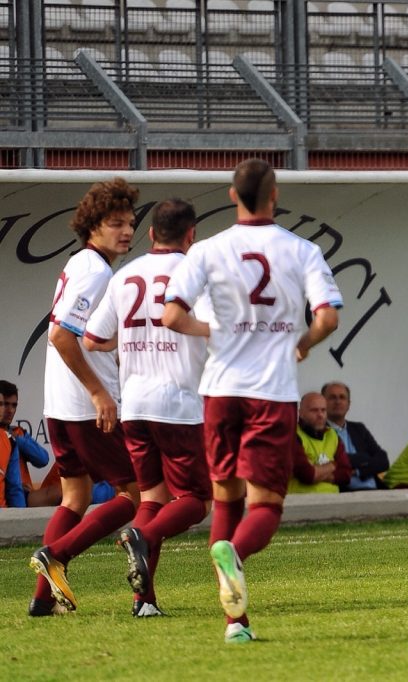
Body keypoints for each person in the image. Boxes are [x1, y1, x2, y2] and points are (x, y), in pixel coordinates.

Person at [163, 159, 341, 643]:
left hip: (220, 390)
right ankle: (235, 554)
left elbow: (171, 315)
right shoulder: (301, 249)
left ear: (231, 195)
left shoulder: (207, 249)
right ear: (274, 195)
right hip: (270, 392)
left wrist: (213, 331)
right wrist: (303, 342)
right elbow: (328, 318)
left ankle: (235, 624)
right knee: (266, 506)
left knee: (226, 497)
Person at [82, 198, 213, 617]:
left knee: (153, 498)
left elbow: (92, 339)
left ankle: (144, 601)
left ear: (152, 233)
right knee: (197, 499)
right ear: (191, 235)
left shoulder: (125, 275)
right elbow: (214, 328)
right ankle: (142, 537)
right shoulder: (194, 272)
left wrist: (130, 339)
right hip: (178, 402)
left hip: (135, 403)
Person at [28, 178, 141, 617]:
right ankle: (57, 556)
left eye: (130, 223)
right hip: (84, 406)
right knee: (136, 494)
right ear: (93, 226)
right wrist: (98, 392)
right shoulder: (96, 272)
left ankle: (42, 599)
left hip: (60, 403)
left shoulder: (82, 263)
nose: (127, 231)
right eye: (116, 223)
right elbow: (60, 335)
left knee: (74, 497)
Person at [320, 381, 389, 491]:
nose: (338, 401)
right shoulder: (319, 431)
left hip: (375, 490)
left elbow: (383, 460)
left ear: (348, 404)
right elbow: (328, 461)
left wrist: (357, 471)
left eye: (342, 397)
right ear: (322, 403)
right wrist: (364, 457)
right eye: (332, 397)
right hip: (344, 493)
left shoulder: (359, 428)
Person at [289, 392, 352, 493]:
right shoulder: (292, 435)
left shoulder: (332, 435)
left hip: (333, 500)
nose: (320, 415)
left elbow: (346, 475)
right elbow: (307, 475)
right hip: (301, 500)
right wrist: (333, 464)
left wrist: (317, 471)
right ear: (300, 413)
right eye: (314, 410)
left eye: (323, 410)